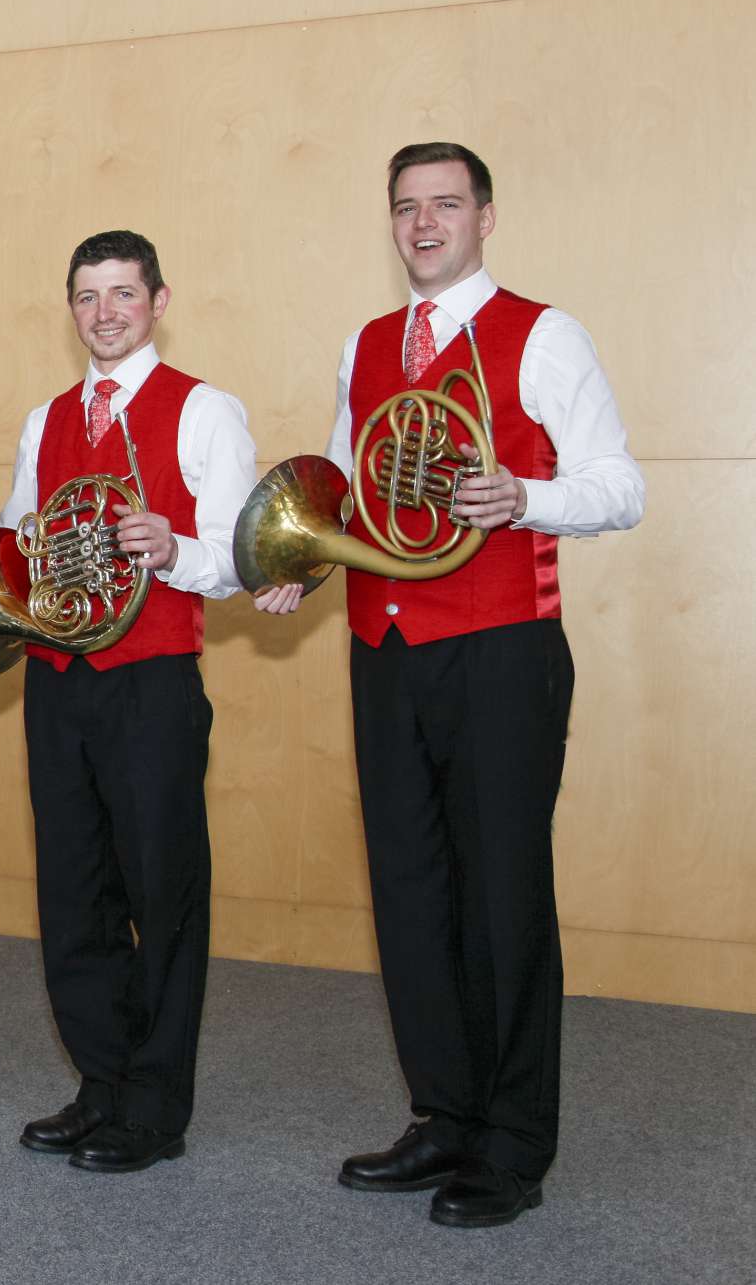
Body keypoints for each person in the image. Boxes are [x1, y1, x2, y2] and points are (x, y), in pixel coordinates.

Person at [256, 143, 644, 1227]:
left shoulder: (541, 333)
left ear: (483, 216)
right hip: (386, 646)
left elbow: (620, 485)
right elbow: (353, 492)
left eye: (443, 205)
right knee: (412, 890)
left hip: (499, 647)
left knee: (502, 893)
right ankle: (443, 1112)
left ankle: (513, 1142)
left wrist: (521, 494)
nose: (422, 224)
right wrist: (304, 560)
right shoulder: (366, 343)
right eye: (405, 208)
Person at [0, 231, 256, 1171]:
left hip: (151, 680)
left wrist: (170, 547)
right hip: (59, 680)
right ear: (70, 308)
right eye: (87, 296)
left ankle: (154, 1103)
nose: (104, 312)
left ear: (157, 299)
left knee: (163, 892)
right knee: (75, 893)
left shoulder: (204, 410)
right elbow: (24, 545)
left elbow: (239, 559)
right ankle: (99, 1081)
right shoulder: (45, 418)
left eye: (122, 293)